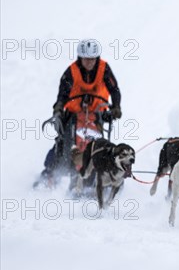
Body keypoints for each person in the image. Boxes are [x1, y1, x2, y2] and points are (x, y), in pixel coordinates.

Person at [34, 39, 122, 188]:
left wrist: (116, 107)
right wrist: (58, 109)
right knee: (63, 143)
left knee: (100, 146)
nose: (89, 62)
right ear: (80, 58)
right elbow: (62, 95)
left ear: (97, 58)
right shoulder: (71, 72)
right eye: (86, 59)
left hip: (97, 115)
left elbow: (114, 90)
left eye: (92, 59)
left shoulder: (104, 69)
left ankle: (103, 177)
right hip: (73, 115)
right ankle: (49, 174)